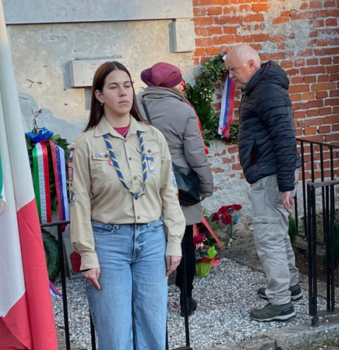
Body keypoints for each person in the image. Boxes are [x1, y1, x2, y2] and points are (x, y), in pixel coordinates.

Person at [69, 61, 185, 349]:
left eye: (127, 85)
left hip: (152, 239)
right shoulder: (86, 144)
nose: (123, 93)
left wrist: (174, 241)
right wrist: (87, 254)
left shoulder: (153, 137)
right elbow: (80, 202)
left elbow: (168, 192)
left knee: (153, 329)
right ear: (98, 95)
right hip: (108, 244)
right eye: (113, 87)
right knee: (115, 333)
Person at [224, 44, 302, 322]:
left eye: (233, 69)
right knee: (277, 233)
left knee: (268, 238)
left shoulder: (265, 90)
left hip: (270, 175)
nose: (230, 76)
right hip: (270, 172)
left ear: (251, 64)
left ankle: (280, 302)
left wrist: (285, 185)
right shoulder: (259, 88)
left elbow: (284, 137)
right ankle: (289, 287)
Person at [139, 62, 214, 318]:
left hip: (145, 183)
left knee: (151, 242)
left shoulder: (135, 107)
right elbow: (195, 155)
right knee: (183, 243)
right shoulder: (183, 110)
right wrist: (205, 186)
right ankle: (185, 299)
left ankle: (151, 301)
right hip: (179, 187)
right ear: (174, 85)